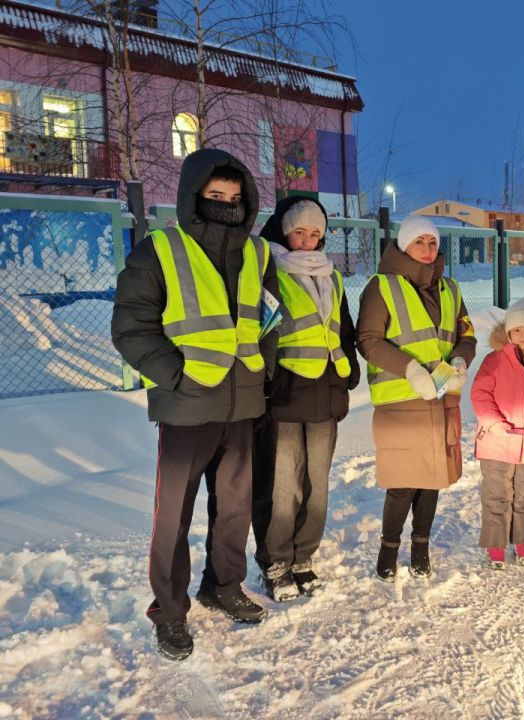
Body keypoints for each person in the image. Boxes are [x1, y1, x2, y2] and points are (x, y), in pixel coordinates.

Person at [111, 148, 278, 661]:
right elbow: (131, 328)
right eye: (215, 196)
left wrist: (262, 374)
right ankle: (170, 610)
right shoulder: (159, 250)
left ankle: (224, 586)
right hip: (186, 407)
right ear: (193, 196)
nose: (227, 204)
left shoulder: (259, 254)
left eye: (234, 197)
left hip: (241, 404)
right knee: (173, 518)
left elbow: (270, 321)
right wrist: (177, 376)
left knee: (233, 511)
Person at [251, 198, 361, 602]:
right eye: (300, 232)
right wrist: (265, 381)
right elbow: (262, 330)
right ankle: (275, 560)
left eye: (316, 234)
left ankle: (303, 557)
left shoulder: (332, 275)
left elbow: (342, 327)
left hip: (324, 392)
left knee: (317, 485)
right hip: (283, 393)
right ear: (283, 231)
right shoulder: (269, 271)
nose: (308, 241)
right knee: (281, 486)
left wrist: (348, 368)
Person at [357, 215, 476, 581]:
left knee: (432, 479)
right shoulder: (381, 287)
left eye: (433, 243)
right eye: (419, 242)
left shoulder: (451, 289)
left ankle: (421, 546)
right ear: (403, 246)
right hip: (402, 402)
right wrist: (410, 370)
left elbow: (466, 335)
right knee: (402, 481)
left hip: (441, 399)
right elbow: (368, 340)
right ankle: (389, 547)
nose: (427, 250)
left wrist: (460, 358)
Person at [471, 298, 524, 569]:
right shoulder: (494, 361)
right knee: (496, 495)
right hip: (496, 443)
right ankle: (495, 546)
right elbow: (480, 394)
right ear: (508, 332)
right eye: (517, 330)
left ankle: (523, 543)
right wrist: (494, 423)